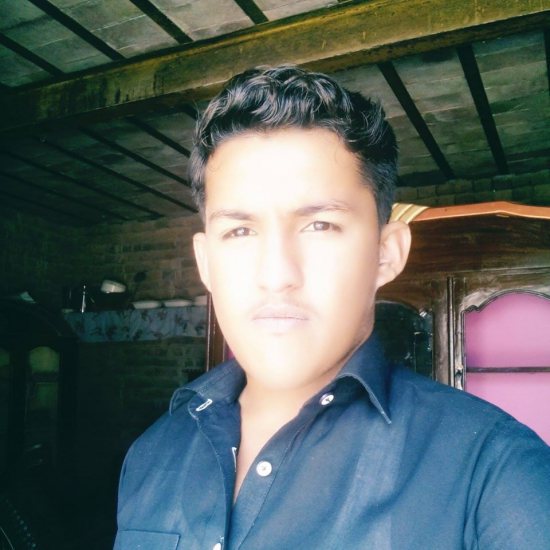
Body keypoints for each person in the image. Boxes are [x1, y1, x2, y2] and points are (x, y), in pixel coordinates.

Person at [114, 66, 550, 549]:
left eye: (319, 225)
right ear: (205, 263)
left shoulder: (496, 473)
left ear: (386, 253)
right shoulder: (152, 453)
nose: (276, 273)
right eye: (239, 231)